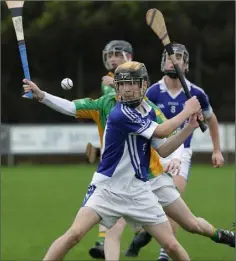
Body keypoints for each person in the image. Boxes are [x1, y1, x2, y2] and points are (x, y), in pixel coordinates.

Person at [24, 61, 203, 261]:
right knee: (73, 235)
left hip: (139, 190)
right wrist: (187, 111)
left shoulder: (149, 111)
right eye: (122, 84)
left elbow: (163, 149)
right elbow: (162, 130)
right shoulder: (120, 113)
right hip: (107, 188)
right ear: (116, 86)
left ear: (143, 85)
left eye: (132, 83)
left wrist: (189, 127)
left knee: (171, 245)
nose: (127, 89)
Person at [125, 43, 226, 261]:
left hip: (183, 151)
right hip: (156, 153)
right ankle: (146, 233)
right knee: (152, 203)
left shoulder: (196, 93)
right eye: (171, 57)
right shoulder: (152, 91)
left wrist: (216, 150)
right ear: (164, 62)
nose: (174, 61)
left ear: (186, 65)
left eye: (179, 58)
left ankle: (164, 253)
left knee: (174, 197)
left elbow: (212, 119)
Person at [86, 40, 133, 259]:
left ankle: (141, 237)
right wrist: (101, 148)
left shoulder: (135, 72)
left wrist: (115, 84)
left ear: (128, 57)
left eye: (118, 54)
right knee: (108, 196)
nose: (113, 58)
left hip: (136, 152)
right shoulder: (107, 81)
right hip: (114, 152)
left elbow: (134, 100)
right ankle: (104, 240)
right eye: (110, 54)